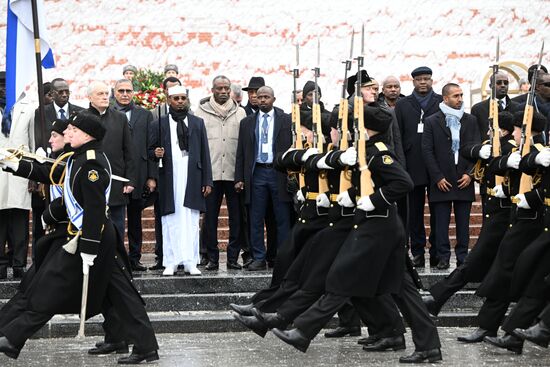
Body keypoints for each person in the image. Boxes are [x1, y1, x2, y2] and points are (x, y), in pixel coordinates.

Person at [0, 111, 159, 364]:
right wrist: (16, 166)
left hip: (92, 237)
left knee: (53, 285)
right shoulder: (79, 157)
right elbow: (51, 172)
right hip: (91, 236)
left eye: (72, 130)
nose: (67, 133)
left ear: (87, 135)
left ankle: (13, 337)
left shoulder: (92, 164)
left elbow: (95, 210)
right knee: (119, 293)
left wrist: (89, 248)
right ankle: (143, 345)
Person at [457, 110, 547, 344]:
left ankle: (504, 331)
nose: (514, 134)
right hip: (519, 220)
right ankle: (502, 331)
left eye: (517, 129)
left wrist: (534, 197)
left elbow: (543, 185)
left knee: (511, 273)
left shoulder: (540, 154)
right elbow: (496, 168)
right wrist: (507, 179)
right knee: (507, 274)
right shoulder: (522, 153)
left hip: (534, 223)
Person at [423, 111, 518, 315]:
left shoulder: (512, 150)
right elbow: (467, 148)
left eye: (493, 128)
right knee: (482, 264)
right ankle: (440, 299)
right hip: (495, 212)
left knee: (479, 263)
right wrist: (480, 150)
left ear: (503, 130)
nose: (489, 131)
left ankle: (439, 298)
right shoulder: (492, 146)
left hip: (506, 215)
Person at [148, 85, 212, 276]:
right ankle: (171, 261)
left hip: (192, 176)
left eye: (183, 98)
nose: (180, 102)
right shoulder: (158, 124)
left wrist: (207, 180)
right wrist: (155, 153)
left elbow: (205, 153)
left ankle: (191, 261)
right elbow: (149, 151)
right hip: (168, 177)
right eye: (176, 98)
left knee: (191, 220)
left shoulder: (197, 123)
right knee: (170, 220)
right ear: (169, 100)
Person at [421, 83, 480, 269]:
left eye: (461, 95)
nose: (460, 99)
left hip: (463, 177)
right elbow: (427, 151)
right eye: (456, 96)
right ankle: (443, 256)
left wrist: (470, 174)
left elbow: (477, 148)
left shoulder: (470, 120)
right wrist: (437, 177)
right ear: (445, 98)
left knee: (463, 222)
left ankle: (463, 256)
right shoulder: (431, 121)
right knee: (441, 222)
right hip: (442, 179)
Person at [234, 86, 292, 271]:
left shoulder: (286, 120)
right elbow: (241, 152)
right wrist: (240, 177)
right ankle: (258, 257)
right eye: (260, 97)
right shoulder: (247, 122)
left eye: (266, 97)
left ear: (274, 99)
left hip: (278, 173)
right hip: (257, 173)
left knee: (282, 217)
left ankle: (283, 257)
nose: (263, 100)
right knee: (256, 218)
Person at [195, 75, 246, 270]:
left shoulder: (240, 113)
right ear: (212, 90)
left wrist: (241, 176)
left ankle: (233, 258)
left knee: (236, 218)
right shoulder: (200, 112)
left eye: (226, 88)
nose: (223, 92)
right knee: (209, 219)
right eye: (219, 88)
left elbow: (244, 147)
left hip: (234, 175)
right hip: (211, 175)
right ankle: (212, 258)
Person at [395, 66, 443, 268]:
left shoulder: (441, 101)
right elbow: (397, 135)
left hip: (436, 165)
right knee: (414, 213)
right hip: (411, 164)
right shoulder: (403, 104)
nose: (423, 82)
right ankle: (417, 251)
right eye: (419, 79)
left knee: (437, 211)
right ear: (413, 82)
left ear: (432, 81)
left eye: (427, 79)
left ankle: (437, 252)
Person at [112, 79, 157, 272]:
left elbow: (150, 146)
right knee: (115, 220)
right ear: (114, 93)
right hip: (116, 176)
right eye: (121, 91)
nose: (124, 94)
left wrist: (151, 176)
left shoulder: (144, 115)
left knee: (135, 220)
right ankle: (116, 257)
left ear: (134, 93)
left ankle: (134, 258)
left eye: (128, 91)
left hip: (139, 174)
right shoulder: (109, 115)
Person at [87, 81, 137, 239]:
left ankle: (117, 261)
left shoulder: (120, 118)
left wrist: (130, 181)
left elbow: (128, 150)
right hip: (90, 180)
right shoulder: (82, 118)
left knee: (117, 226)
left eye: (105, 93)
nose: (104, 97)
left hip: (116, 181)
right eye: (99, 94)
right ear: (90, 97)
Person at [0, 95, 37, 279]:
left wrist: (33, 174)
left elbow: (33, 142)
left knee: (19, 220)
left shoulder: (28, 108)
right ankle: (0, 264)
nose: (2, 90)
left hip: (20, 171)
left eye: (5, 86)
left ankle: (18, 264)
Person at [471, 72, 518, 141]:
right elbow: (475, 135)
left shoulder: (517, 108)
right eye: (499, 83)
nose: (503, 85)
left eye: (505, 83)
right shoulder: (478, 109)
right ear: (490, 86)